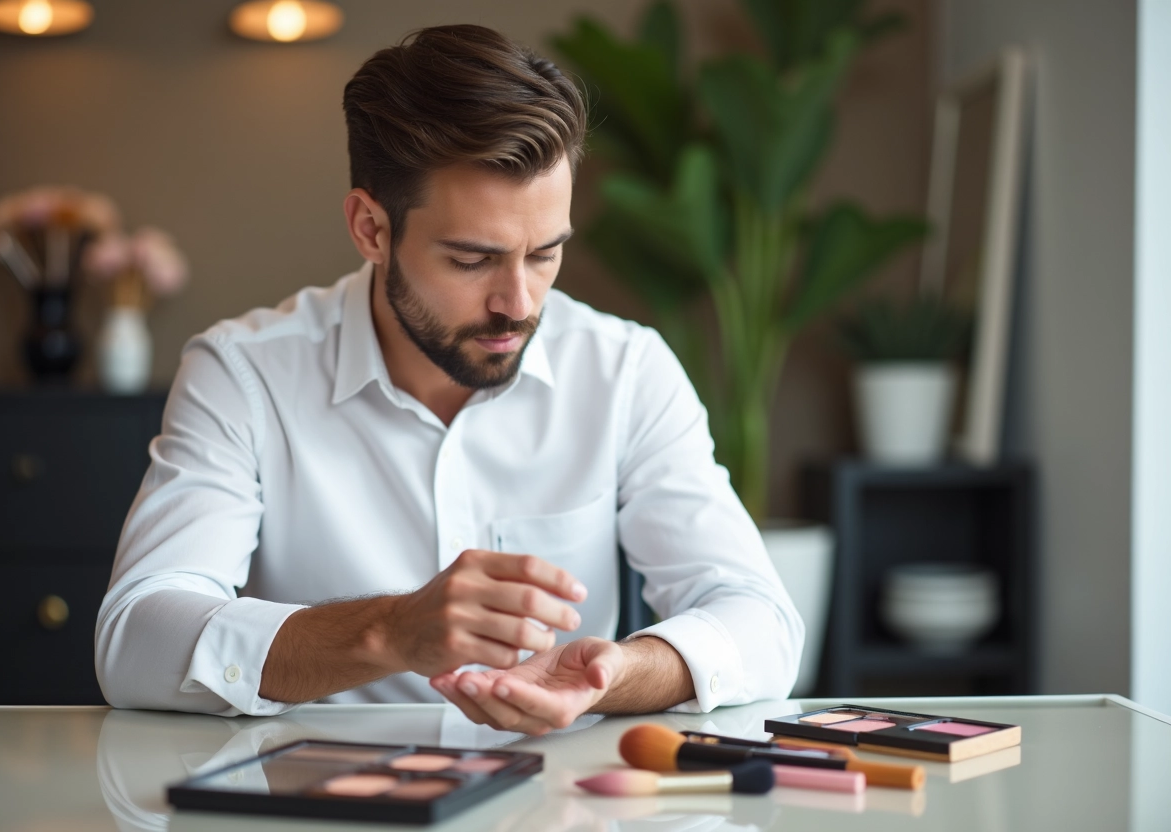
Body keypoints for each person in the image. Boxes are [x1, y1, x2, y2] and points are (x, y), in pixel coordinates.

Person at [95, 24, 803, 735]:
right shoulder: (243, 374)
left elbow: (761, 620)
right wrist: (392, 630)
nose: (519, 304)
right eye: (472, 261)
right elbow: (135, 639)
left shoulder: (625, 370)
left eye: (544, 255)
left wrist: (613, 675)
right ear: (371, 229)